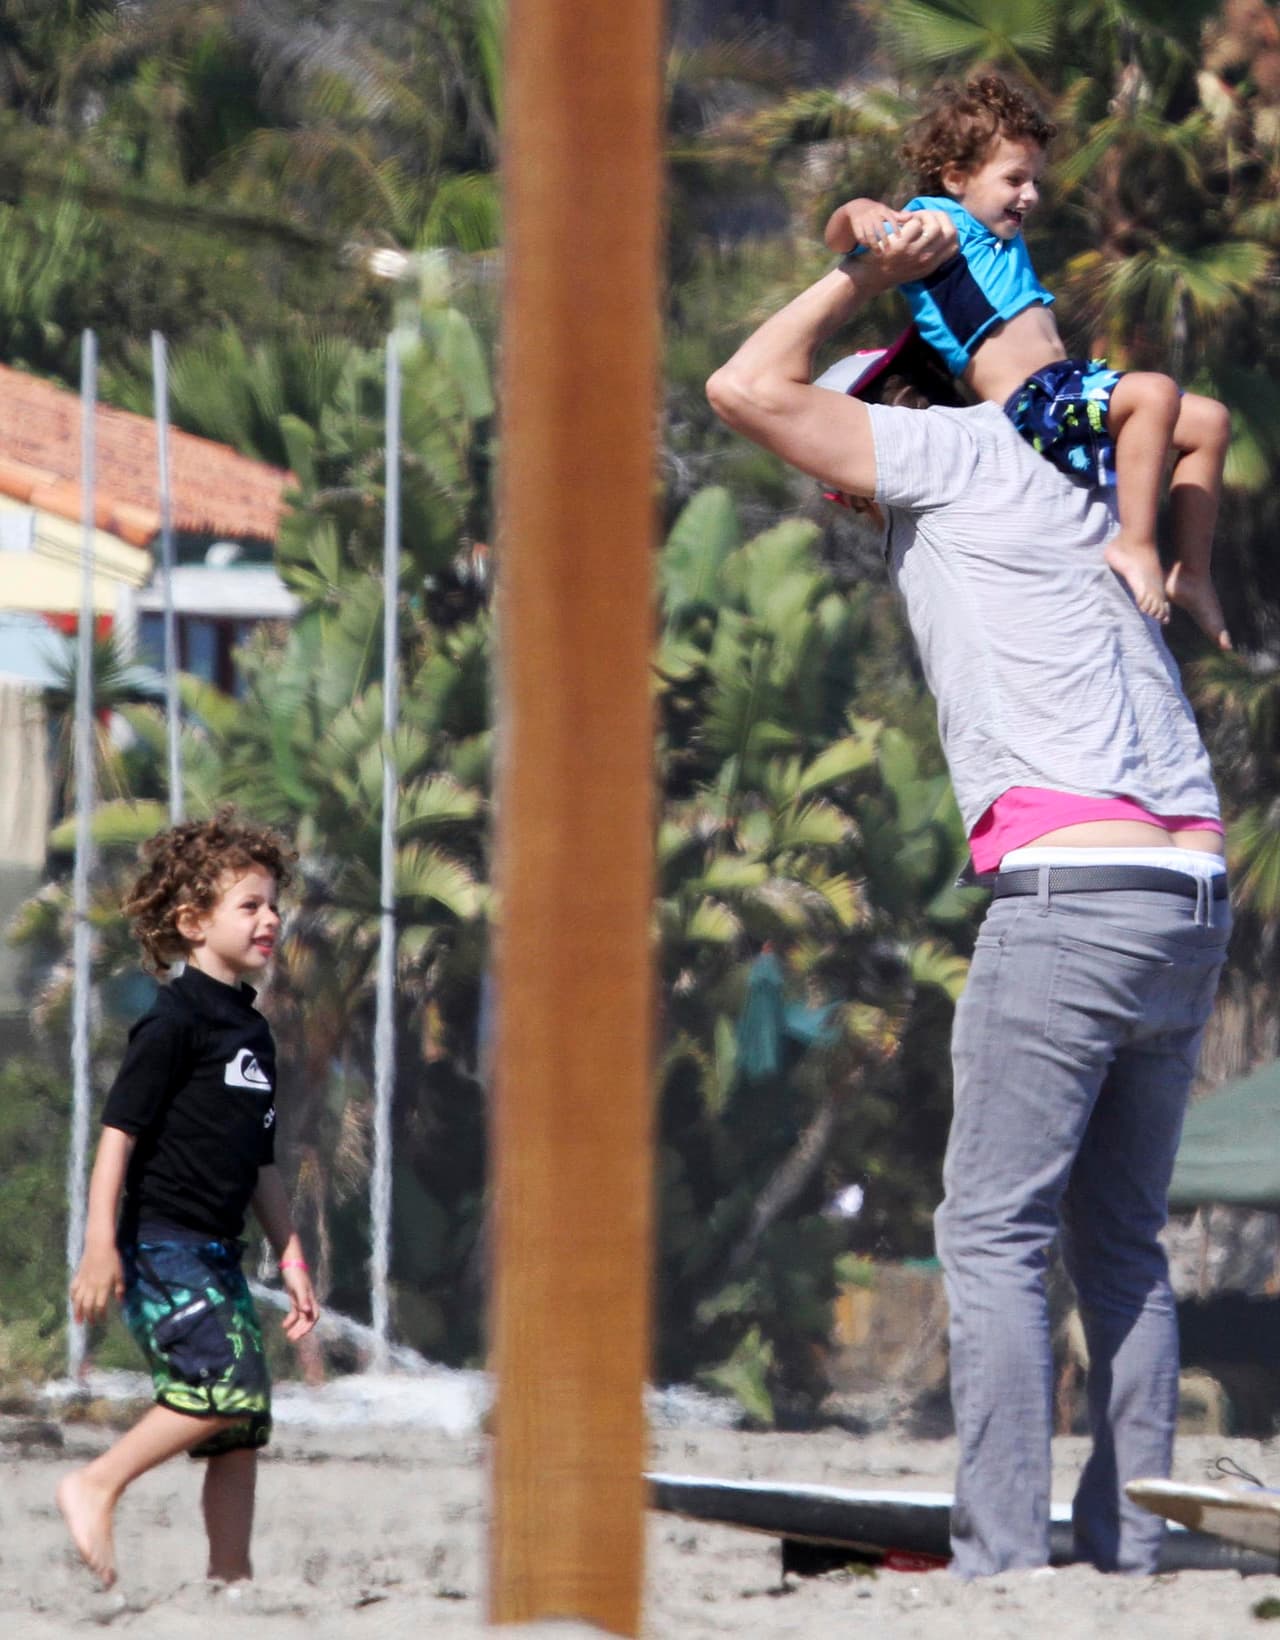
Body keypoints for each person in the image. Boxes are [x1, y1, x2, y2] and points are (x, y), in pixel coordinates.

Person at [705, 215, 1232, 1578]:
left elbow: (745, 387)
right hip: (1190, 880)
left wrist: (861, 278)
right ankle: (1131, 1549)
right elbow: (1192, 416)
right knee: (1122, 1241)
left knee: (991, 1232)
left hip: (1074, 887)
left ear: (898, 413)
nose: (835, 491)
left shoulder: (951, 452)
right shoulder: (1086, 471)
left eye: (847, 464)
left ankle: (1003, 1558)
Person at [824, 73, 1232, 649]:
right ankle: (1137, 545)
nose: (1031, 195)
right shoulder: (937, 222)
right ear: (957, 177)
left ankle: (1191, 572)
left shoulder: (1001, 228)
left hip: (1072, 384)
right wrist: (858, 208)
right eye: (1015, 179)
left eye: (1035, 179)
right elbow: (844, 240)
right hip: (1033, 402)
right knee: (1156, 392)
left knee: (1209, 421)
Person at [57, 810, 319, 1590]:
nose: (269, 918)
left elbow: (259, 1162)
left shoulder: (252, 1033)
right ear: (192, 922)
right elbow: (117, 1137)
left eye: (274, 904)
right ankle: (96, 1483)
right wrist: (100, 1243)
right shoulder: (172, 1022)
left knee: (240, 1422)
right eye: (249, 905)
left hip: (216, 1251)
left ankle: (229, 1582)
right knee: (221, 1387)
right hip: (161, 1243)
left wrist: (293, 1255)